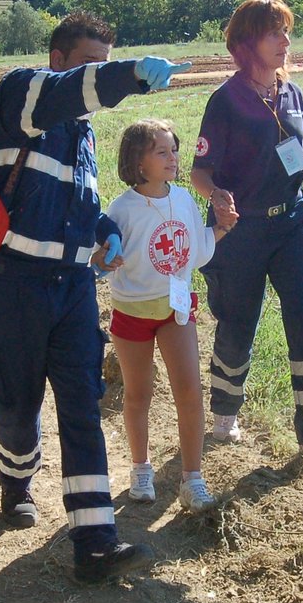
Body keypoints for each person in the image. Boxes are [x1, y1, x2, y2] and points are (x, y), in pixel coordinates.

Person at [0, 11, 190, 584]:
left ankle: (93, 542)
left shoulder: (83, 136)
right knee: (17, 407)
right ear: (59, 61)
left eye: (108, 64)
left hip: (71, 291)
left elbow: (79, 207)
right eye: (92, 65)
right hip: (11, 285)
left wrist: (103, 231)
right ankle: (16, 476)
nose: (100, 78)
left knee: (82, 408)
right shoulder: (23, 93)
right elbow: (76, 91)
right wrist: (131, 76)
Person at [190, 0, 303, 456]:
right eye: (273, 33)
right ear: (247, 42)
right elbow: (199, 172)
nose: (285, 41)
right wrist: (217, 196)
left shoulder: (292, 94)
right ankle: (225, 414)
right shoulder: (225, 101)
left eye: (286, 31)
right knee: (238, 321)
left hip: (293, 224)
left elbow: (296, 159)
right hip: (240, 230)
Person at [104, 119, 236, 513]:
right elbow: (106, 257)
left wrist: (223, 228)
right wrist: (106, 259)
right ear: (138, 161)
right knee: (138, 393)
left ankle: (192, 478)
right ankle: (141, 468)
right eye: (161, 151)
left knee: (190, 391)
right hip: (131, 313)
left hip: (176, 309)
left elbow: (196, 252)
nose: (173, 157)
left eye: (174, 149)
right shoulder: (122, 209)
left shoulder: (183, 200)